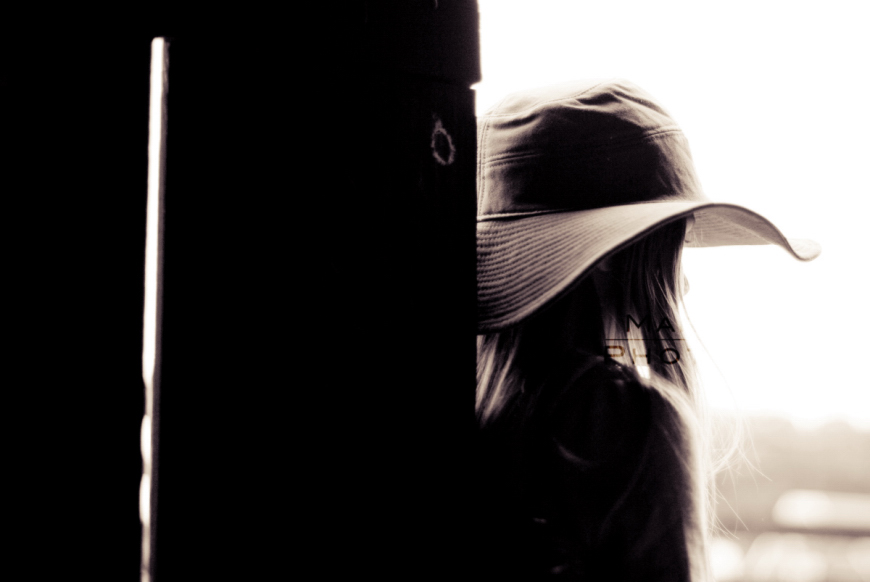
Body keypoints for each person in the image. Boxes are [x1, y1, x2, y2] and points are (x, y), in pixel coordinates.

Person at [474, 79, 820, 581]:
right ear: (609, 256)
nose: (683, 283)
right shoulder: (620, 423)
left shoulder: (484, 410)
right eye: (671, 245)